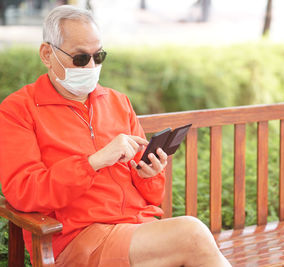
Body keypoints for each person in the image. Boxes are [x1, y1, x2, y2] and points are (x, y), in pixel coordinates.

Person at [0, 5, 231, 267]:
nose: (90, 66)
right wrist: (93, 162)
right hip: (77, 238)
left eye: (98, 56)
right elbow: (24, 192)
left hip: (135, 229)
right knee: (192, 234)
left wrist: (150, 174)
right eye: (80, 58)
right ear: (46, 53)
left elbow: (152, 195)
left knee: (193, 241)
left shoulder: (117, 102)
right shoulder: (19, 109)